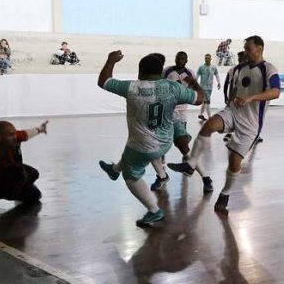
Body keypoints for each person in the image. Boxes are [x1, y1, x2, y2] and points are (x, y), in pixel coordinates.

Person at [168, 36, 280, 214]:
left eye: (248, 49)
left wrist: (251, 97)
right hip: (234, 111)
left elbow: (275, 92)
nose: (245, 52)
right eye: (244, 49)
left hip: (251, 123)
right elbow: (235, 88)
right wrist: (231, 100)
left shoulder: (269, 69)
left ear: (260, 48)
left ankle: (226, 193)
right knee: (209, 125)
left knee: (234, 161)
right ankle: (191, 164)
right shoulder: (240, 68)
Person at [98, 51, 203, 226]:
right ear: (161, 72)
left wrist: (110, 60)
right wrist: (195, 84)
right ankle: (114, 170)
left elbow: (104, 81)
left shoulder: (133, 87)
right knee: (130, 152)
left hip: (143, 146)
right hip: (165, 143)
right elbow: (199, 99)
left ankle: (154, 211)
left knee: (131, 174)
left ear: (140, 72)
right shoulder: (172, 87)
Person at [151, 51, 213, 194]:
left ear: (186, 60)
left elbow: (197, 96)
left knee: (184, 148)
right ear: (175, 58)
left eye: (183, 58)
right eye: (178, 58)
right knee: (154, 147)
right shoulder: (167, 71)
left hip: (180, 114)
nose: (180, 60)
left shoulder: (190, 73)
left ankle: (206, 178)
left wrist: (193, 82)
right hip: (165, 113)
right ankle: (161, 176)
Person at [0, 120, 49, 204]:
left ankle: (23, 187)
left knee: (34, 173)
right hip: (2, 187)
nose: (15, 137)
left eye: (14, 133)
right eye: (10, 135)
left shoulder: (14, 137)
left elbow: (27, 134)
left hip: (12, 172)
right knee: (36, 195)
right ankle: (18, 192)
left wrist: (41, 129)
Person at [222, 51, 249, 142]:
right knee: (232, 114)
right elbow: (226, 84)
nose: (241, 59)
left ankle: (254, 134)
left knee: (247, 116)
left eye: (243, 58)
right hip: (234, 97)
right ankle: (229, 133)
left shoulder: (250, 69)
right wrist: (226, 96)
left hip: (245, 98)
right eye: (240, 58)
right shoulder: (232, 70)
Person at [197, 54, 221, 121]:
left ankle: (200, 114)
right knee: (207, 102)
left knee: (205, 102)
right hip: (203, 87)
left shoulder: (213, 67)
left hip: (210, 87)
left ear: (211, 59)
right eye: (205, 58)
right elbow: (197, 75)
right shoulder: (201, 67)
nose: (207, 59)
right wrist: (195, 84)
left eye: (208, 58)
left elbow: (216, 74)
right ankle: (210, 117)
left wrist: (219, 82)